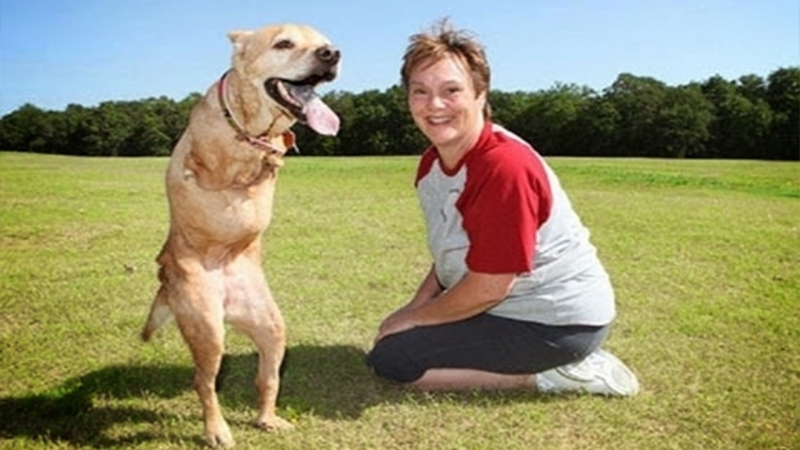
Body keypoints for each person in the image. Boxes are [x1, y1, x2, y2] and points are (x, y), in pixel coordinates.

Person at [365, 19, 640, 396]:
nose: (435, 105)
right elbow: (453, 252)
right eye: (420, 91)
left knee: (394, 360)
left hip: (556, 323)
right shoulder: (432, 163)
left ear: (480, 94)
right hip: (506, 307)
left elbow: (490, 287)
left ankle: (560, 375)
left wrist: (413, 319)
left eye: (451, 90)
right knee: (395, 342)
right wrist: (415, 308)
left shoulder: (504, 167)